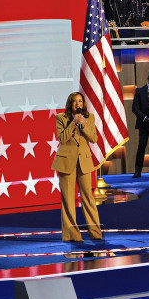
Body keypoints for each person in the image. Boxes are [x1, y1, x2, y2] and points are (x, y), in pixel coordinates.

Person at [51, 92, 104, 243]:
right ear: (70, 104)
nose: (78, 104)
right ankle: (71, 235)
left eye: (80, 101)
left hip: (84, 162)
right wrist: (73, 123)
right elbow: (62, 138)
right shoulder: (61, 118)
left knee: (88, 197)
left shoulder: (90, 118)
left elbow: (93, 138)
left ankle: (95, 232)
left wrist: (83, 125)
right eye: (74, 101)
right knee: (68, 200)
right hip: (66, 162)